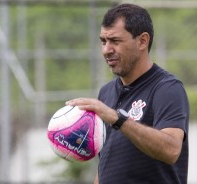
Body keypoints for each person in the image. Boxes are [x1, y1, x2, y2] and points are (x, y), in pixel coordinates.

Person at [66, 3, 189, 184]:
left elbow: (171, 150)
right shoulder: (106, 92)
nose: (107, 50)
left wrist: (118, 119)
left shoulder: (167, 88)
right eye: (103, 41)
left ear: (142, 41)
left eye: (115, 41)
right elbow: (106, 163)